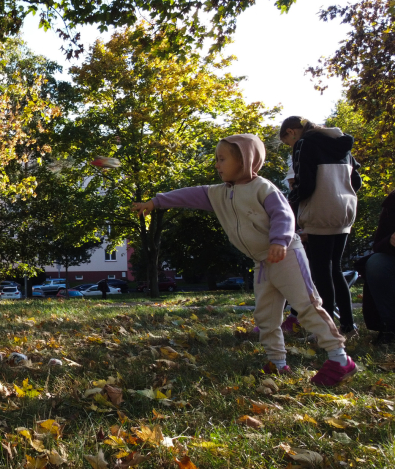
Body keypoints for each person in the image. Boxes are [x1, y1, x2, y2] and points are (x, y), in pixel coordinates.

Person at [133, 134, 357, 386]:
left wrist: (279, 241)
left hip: (286, 254)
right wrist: (155, 202)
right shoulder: (218, 193)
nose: (217, 165)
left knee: (307, 306)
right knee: (265, 317)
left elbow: (283, 215)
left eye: (222, 159)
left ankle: (339, 358)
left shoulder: (263, 188)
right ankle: (277, 363)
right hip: (262, 262)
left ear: (244, 160)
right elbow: (188, 195)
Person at [279, 117, 362, 335]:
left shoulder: (304, 144)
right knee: (336, 268)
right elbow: (357, 182)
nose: (291, 147)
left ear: (291, 132)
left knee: (321, 270)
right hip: (344, 210)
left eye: (287, 142)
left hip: (319, 211)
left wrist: (290, 202)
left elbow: (305, 185)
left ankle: (327, 330)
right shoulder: (341, 143)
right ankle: (347, 325)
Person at [358, 190, 395, 344]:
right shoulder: (392, 203)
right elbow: (378, 245)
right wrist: (390, 241)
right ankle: (389, 326)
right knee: (376, 263)